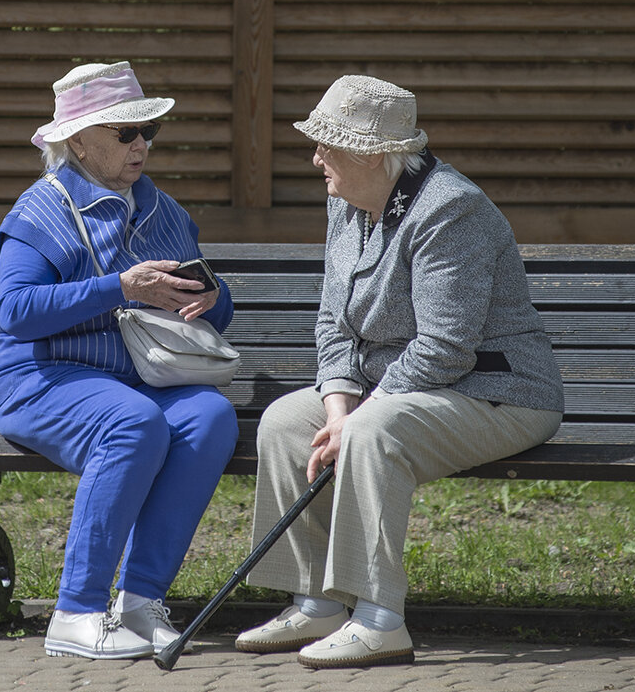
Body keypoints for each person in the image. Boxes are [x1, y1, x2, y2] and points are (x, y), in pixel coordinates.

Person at [234, 75, 564, 669]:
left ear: (370, 154)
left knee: (372, 430)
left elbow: (446, 347)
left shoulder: (451, 210)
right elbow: (333, 319)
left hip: (497, 392)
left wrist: (362, 413)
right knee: (287, 421)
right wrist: (337, 406)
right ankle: (317, 602)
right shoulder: (347, 200)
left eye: (326, 145)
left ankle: (379, 619)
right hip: (399, 388)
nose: (315, 158)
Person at [0, 61, 238, 660]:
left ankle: (141, 607)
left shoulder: (165, 211)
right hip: (41, 380)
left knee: (210, 417)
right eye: (125, 133)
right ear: (78, 143)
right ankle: (76, 612)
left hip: (144, 378)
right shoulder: (41, 209)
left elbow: (210, 311)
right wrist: (120, 287)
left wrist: (212, 296)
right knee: (132, 422)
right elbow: (17, 311)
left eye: (148, 131)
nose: (142, 144)